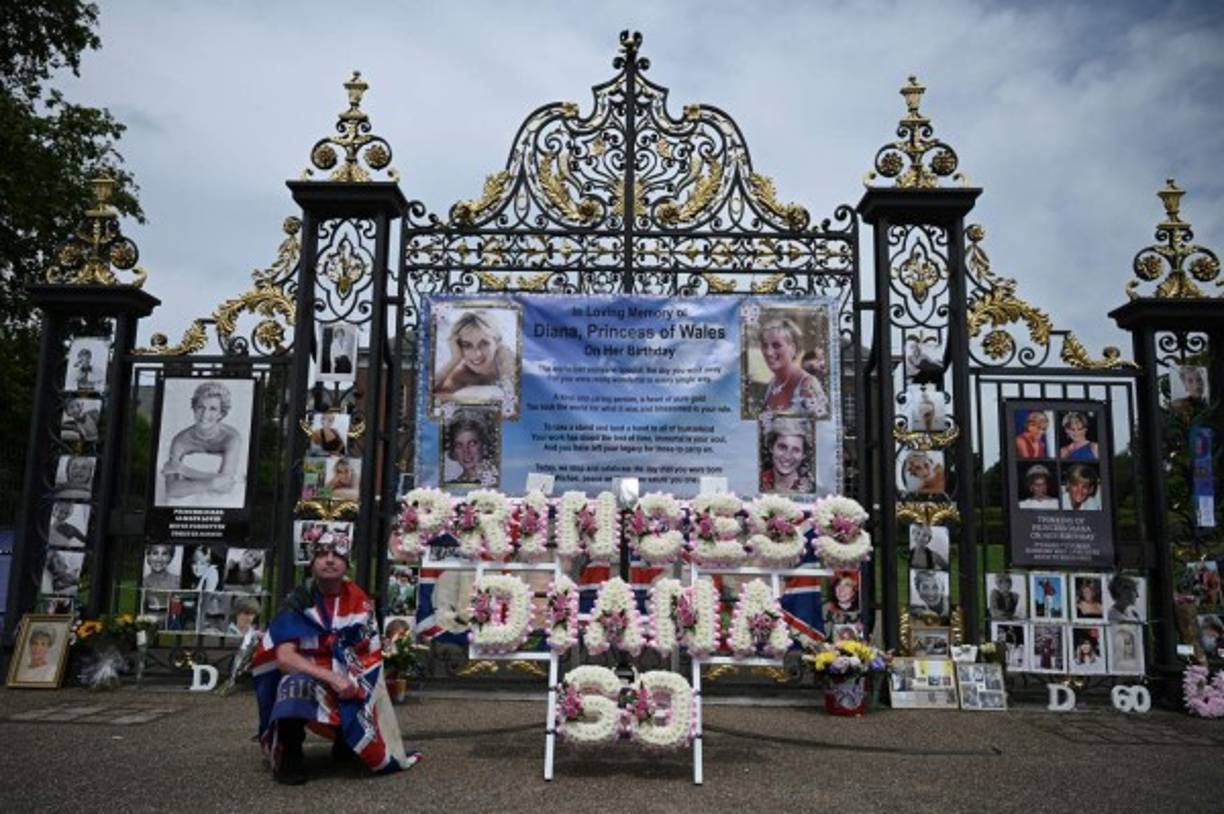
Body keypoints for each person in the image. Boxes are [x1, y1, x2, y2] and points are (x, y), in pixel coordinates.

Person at [252, 533, 419, 784]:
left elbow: (370, 651)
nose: (329, 561)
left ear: (347, 563)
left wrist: (350, 677)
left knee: (362, 684)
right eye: (322, 555)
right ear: (312, 563)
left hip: (348, 669)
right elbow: (285, 658)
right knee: (292, 685)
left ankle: (347, 741)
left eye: (337, 555)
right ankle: (291, 756)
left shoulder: (360, 601)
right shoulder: (297, 602)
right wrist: (330, 676)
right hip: (309, 672)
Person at [161, 381, 244, 504]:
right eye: (201, 407)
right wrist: (214, 482)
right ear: (194, 408)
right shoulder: (181, 440)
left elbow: (227, 486)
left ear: (221, 413)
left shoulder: (231, 438)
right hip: (186, 501)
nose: (205, 414)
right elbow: (172, 490)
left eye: (213, 409)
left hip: (222, 502)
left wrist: (184, 470)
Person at [756, 317, 829, 416]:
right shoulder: (771, 385)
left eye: (776, 345)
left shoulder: (808, 385)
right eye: (765, 345)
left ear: (793, 348)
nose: (768, 352)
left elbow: (820, 426)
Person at [434, 310, 515, 397]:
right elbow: (428, 394)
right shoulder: (463, 374)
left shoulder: (505, 357)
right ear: (458, 347)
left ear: (497, 342)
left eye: (484, 344)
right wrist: (455, 359)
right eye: (467, 345)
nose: (477, 354)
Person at [760, 417, 814, 494]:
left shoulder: (811, 488)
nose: (787, 456)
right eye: (782, 447)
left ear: (804, 455)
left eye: (796, 450)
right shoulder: (757, 481)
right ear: (771, 447)